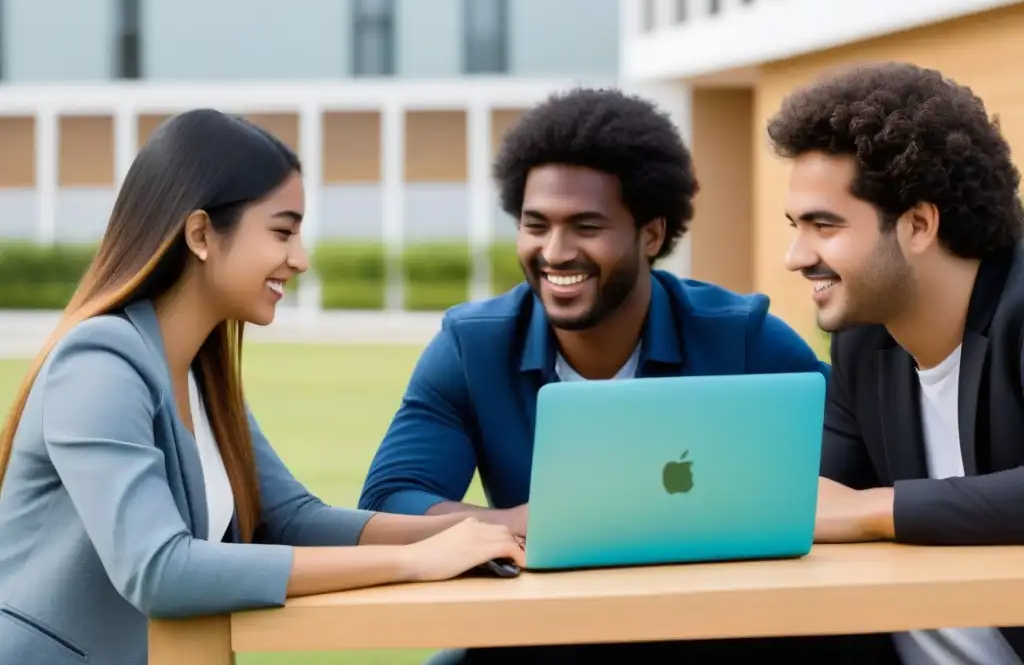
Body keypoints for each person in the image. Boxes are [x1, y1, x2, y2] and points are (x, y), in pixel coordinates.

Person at [359, 88, 893, 662]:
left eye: (586, 226)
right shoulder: (472, 346)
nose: (555, 251)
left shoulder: (741, 335)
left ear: (651, 235)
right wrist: (513, 521)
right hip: (548, 636)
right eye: (535, 225)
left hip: (723, 634)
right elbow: (391, 500)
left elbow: (858, 464)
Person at [0, 110, 524, 665]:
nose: (298, 259)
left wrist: (492, 526)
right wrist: (417, 560)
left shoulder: (200, 374)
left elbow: (292, 520)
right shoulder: (98, 363)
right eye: (282, 231)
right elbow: (159, 569)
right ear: (201, 234)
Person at [771, 61, 1024, 663]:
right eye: (794, 227)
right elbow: (812, 504)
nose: (795, 256)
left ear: (918, 224)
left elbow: (846, 510)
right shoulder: (864, 342)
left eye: (824, 227)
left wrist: (872, 510)